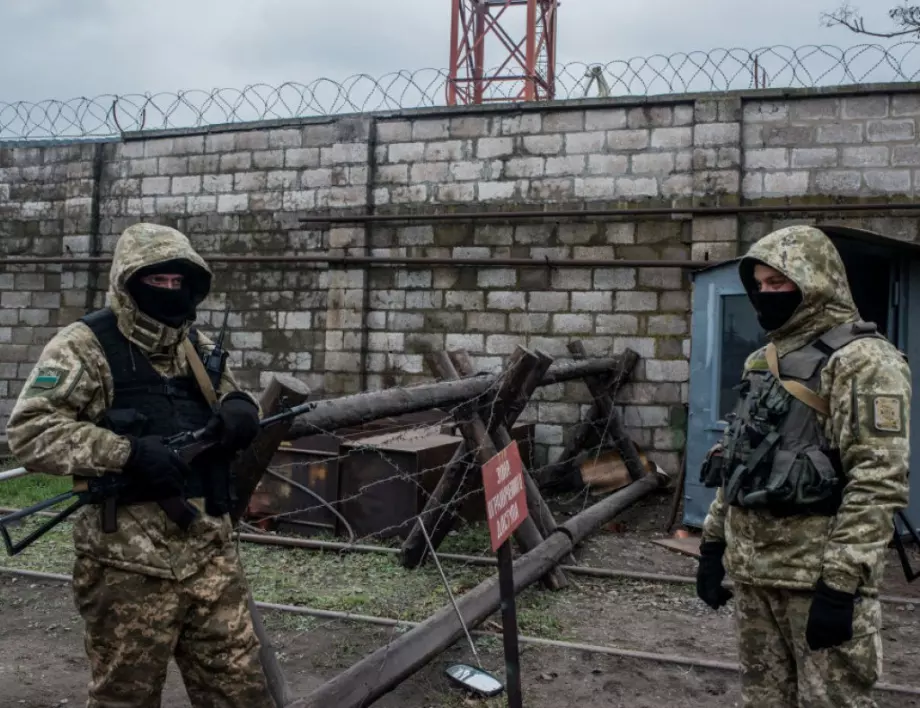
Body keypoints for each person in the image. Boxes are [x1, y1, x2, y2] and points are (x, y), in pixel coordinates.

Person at [6, 222, 275, 708]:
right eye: (157, 281)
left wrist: (240, 407)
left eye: (179, 282)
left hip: (209, 551)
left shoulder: (195, 345)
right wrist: (126, 452)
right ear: (128, 283)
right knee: (124, 698)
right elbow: (31, 433)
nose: (170, 292)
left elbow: (231, 394)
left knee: (240, 690)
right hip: (124, 566)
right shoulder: (83, 347)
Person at [695, 225, 911, 707]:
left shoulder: (864, 362)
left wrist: (840, 584)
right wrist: (714, 543)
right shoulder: (762, 360)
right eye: (762, 285)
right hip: (755, 574)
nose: (768, 295)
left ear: (815, 281)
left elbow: (878, 480)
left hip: (816, 580)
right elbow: (739, 456)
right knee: (763, 700)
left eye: (781, 284)